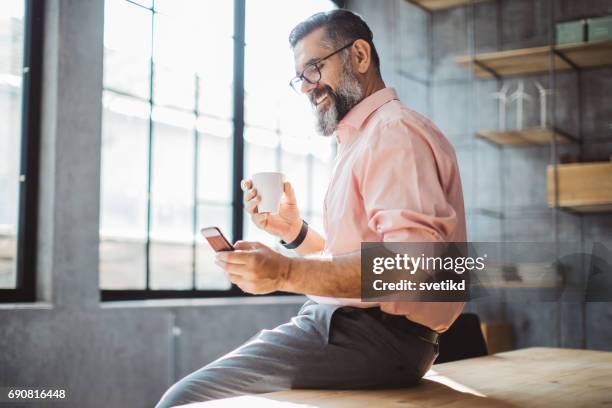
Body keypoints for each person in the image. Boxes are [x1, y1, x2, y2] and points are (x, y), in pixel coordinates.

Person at [156, 9, 466, 407]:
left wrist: (283, 272)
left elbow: (413, 268)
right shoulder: (364, 139)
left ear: (359, 55)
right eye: (299, 77)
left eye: (314, 69)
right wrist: (295, 234)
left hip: (372, 337)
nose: (305, 87)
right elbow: (357, 261)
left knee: (183, 399)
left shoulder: (393, 132)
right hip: (365, 332)